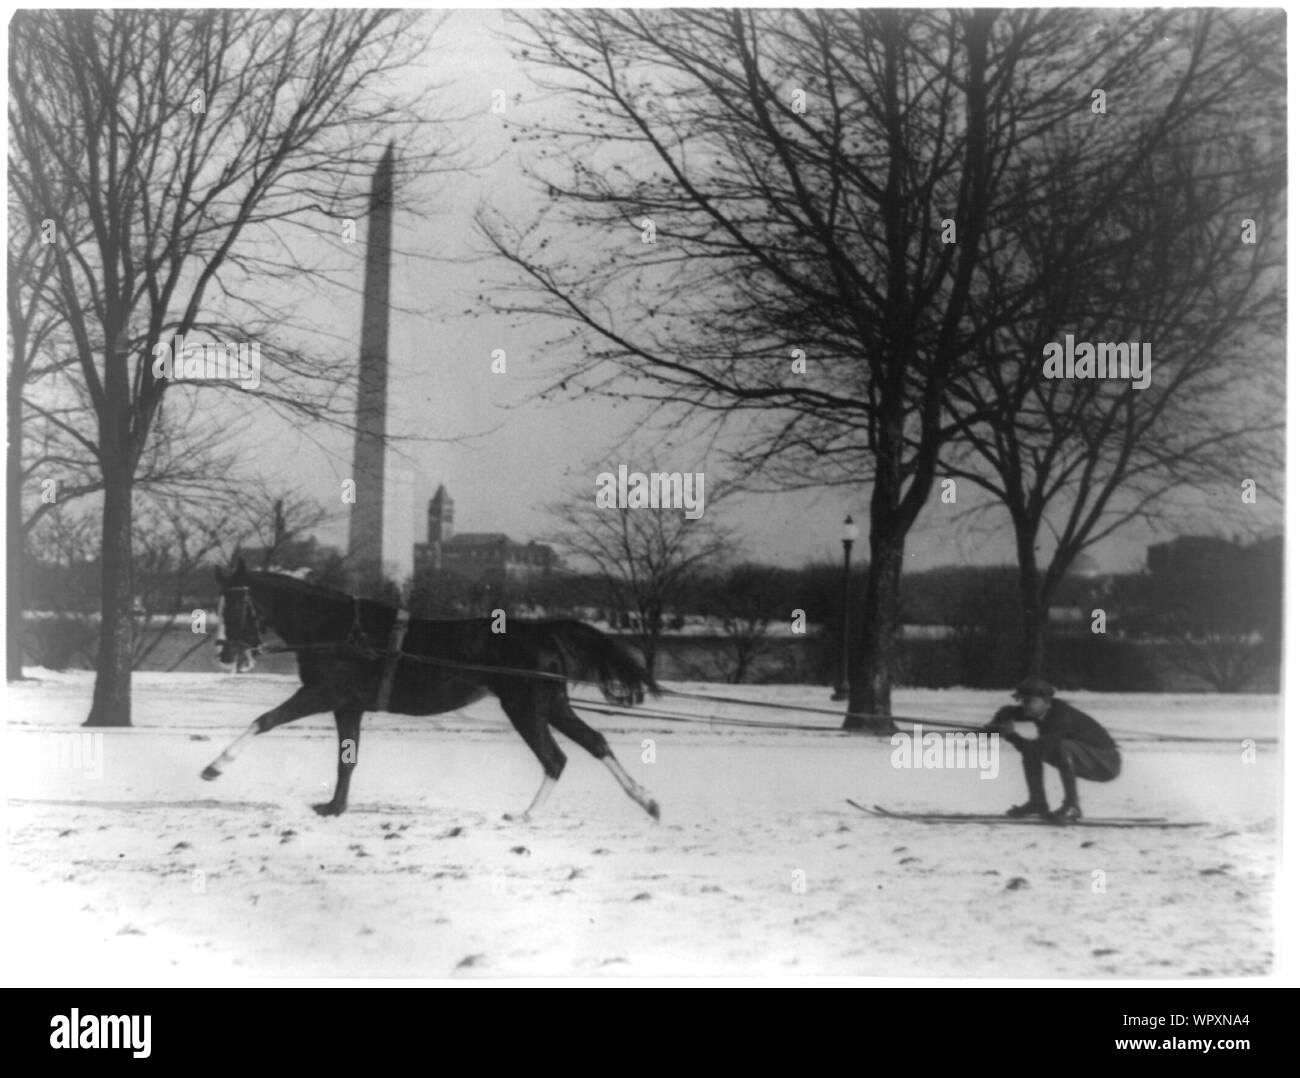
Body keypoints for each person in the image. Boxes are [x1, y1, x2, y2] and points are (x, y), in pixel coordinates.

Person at [984, 677, 1121, 822]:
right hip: (1089, 758)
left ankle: (1072, 806)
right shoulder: (1041, 710)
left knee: (1059, 747)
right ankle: (1037, 802)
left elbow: (1036, 750)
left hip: (1106, 763)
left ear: (1047, 703)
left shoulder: (1060, 718)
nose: (1024, 706)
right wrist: (995, 725)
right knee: (1038, 750)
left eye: (1029, 701)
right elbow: (1007, 710)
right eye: (1022, 701)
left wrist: (1011, 735)